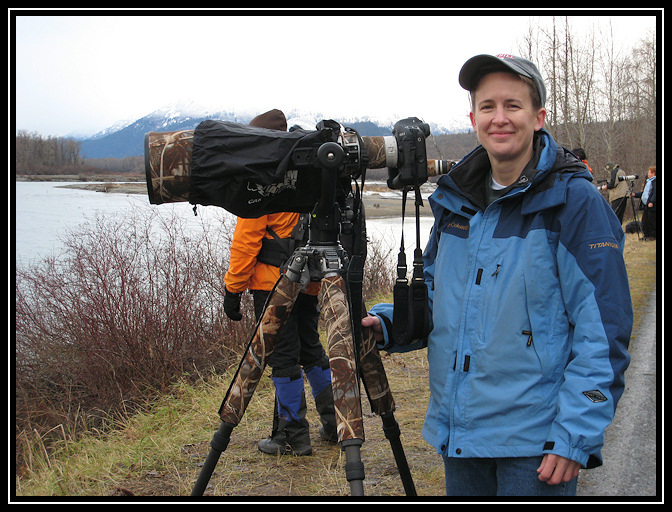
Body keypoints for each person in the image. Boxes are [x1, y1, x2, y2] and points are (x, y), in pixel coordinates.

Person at [362, 54, 632, 496]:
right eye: (488, 107)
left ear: (538, 117)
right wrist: (391, 321)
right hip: (460, 431)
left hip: (537, 446)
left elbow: (603, 329)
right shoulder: (456, 201)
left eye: (513, 105)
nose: (499, 118)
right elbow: (437, 293)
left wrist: (575, 435)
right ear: (473, 118)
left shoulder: (574, 202)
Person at [223, 109, 338, 456]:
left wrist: (232, 289)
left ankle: (291, 435)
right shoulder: (311, 170)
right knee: (310, 348)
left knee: (285, 357)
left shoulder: (262, 178)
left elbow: (248, 241)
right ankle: (334, 421)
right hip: (311, 282)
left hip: (274, 283)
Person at [632, 165, 657, 240]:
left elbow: (655, 193)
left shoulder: (655, 182)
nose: (648, 174)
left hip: (652, 205)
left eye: (649, 172)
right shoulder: (649, 181)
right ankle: (646, 235)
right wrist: (635, 195)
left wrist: (652, 201)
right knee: (645, 221)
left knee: (651, 221)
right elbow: (645, 193)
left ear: (653, 173)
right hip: (646, 204)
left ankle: (652, 235)